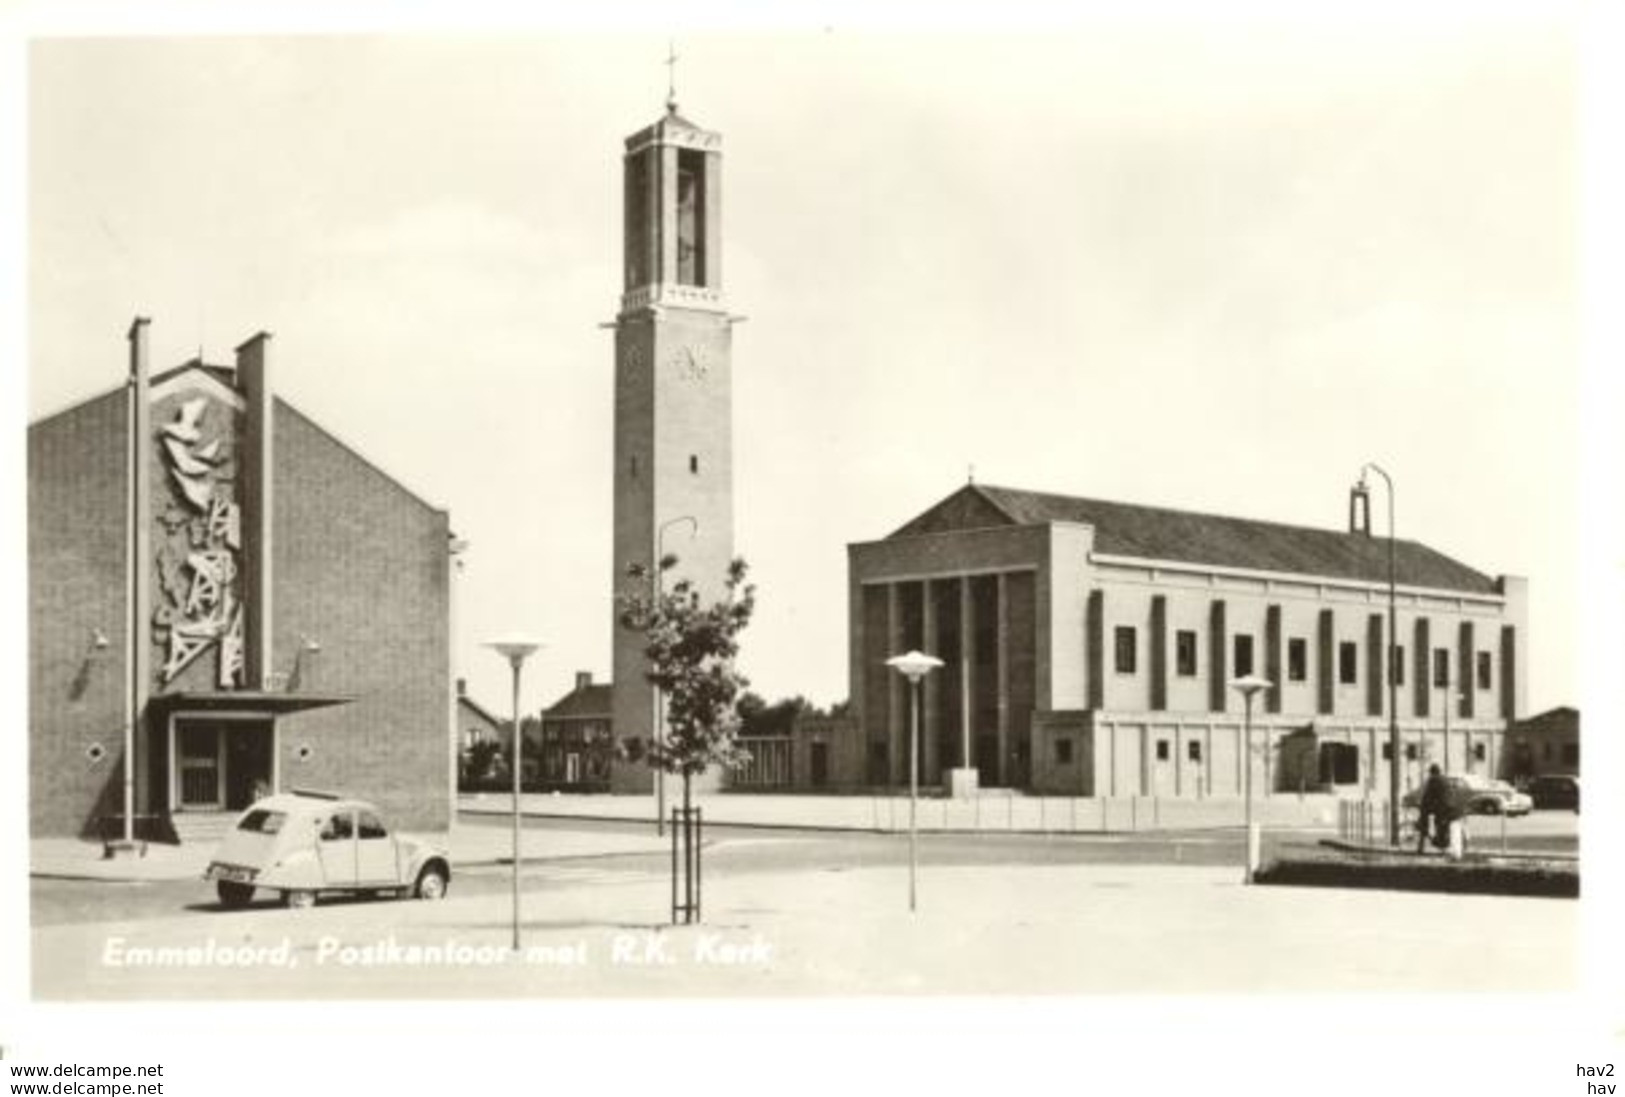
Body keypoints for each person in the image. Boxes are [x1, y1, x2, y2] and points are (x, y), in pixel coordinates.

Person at [1417, 764, 1450, 853]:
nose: (1430, 775)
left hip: (1438, 807)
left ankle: (1422, 845)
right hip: (1446, 806)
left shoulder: (1433, 780)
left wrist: (1423, 804)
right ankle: (1441, 845)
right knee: (1440, 825)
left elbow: (1428, 795)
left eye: (1430, 773)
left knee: (1424, 820)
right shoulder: (1444, 779)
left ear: (1432, 772)